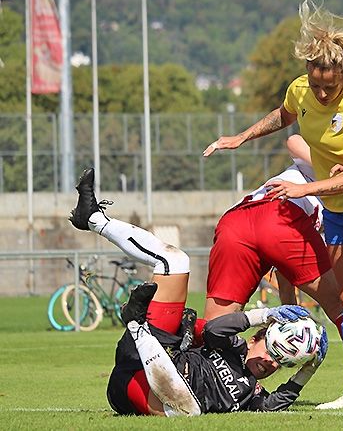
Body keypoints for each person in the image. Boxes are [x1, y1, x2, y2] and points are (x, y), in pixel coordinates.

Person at [203, 0, 343, 409]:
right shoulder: (301, 90)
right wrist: (241, 137)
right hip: (336, 208)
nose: (323, 92)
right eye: (316, 85)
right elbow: (285, 115)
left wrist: (305, 191)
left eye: (330, 85)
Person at [68, 168, 327, 415]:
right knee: (176, 261)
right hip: (142, 353)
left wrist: (307, 371)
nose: (271, 363)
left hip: (137, 389)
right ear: (253, 339)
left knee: (187, 409)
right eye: (271, 351)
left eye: (279, 362)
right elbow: (215, 329)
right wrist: (269, 313)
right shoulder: (232, 346)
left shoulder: (252, 394)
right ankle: (93, 219)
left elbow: (272, 404)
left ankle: (137, 324)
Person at [204, 134, 343, 329]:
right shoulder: (333, 163)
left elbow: (285, 274)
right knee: (341, 304)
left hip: (235, 221)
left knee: (215, 325)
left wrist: (291, 322)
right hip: (280, 214)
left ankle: (195, 359)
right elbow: (293, 140)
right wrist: (337, 169)